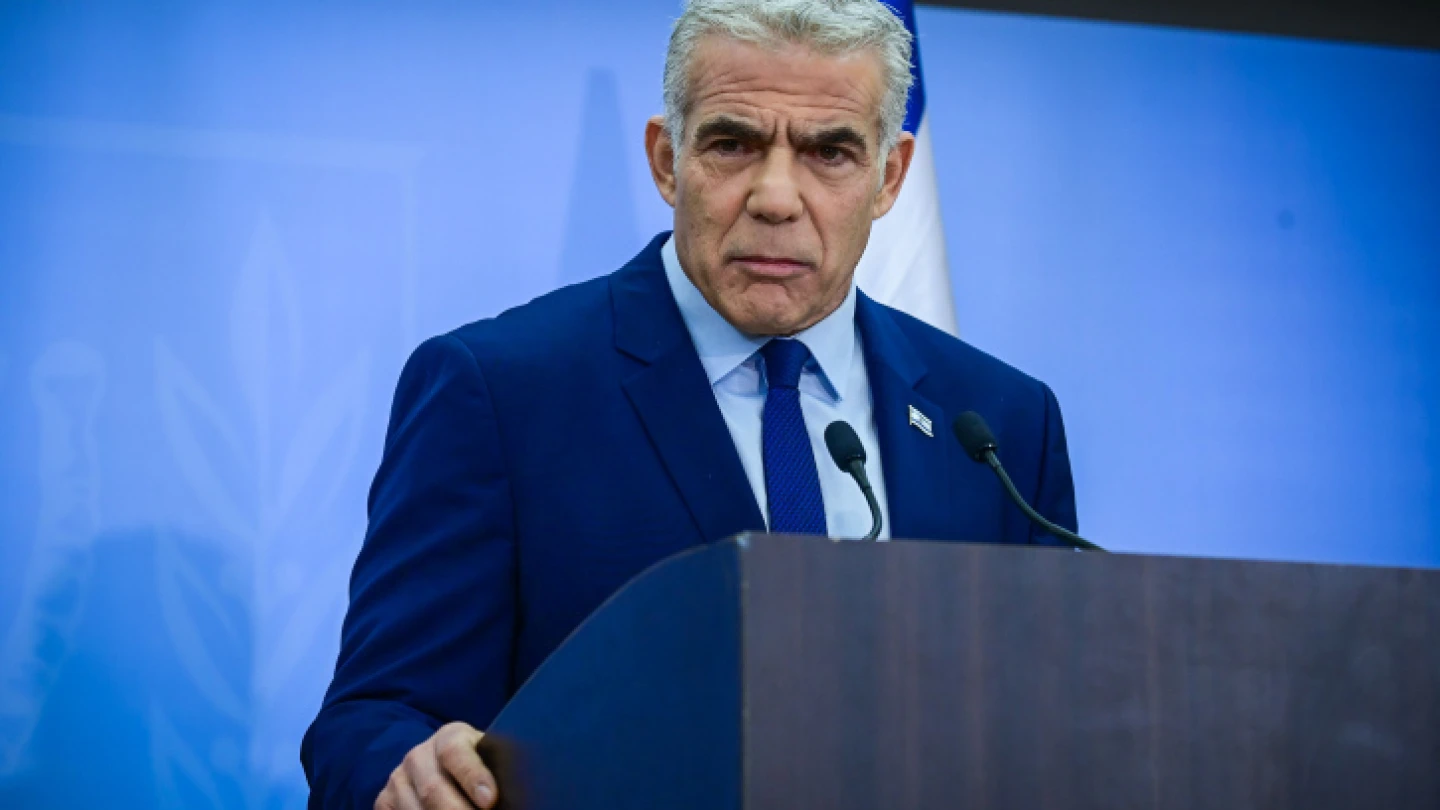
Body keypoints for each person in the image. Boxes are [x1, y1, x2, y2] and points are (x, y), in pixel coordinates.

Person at [302, 1, 1078, 807]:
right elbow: (371, 721)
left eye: (830, 152)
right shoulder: (499, 391)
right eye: (734, 144)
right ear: (667, 159)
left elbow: (1060, 727)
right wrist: (410, 769)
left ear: (889, 175)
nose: (777, 197)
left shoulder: (999, 425)